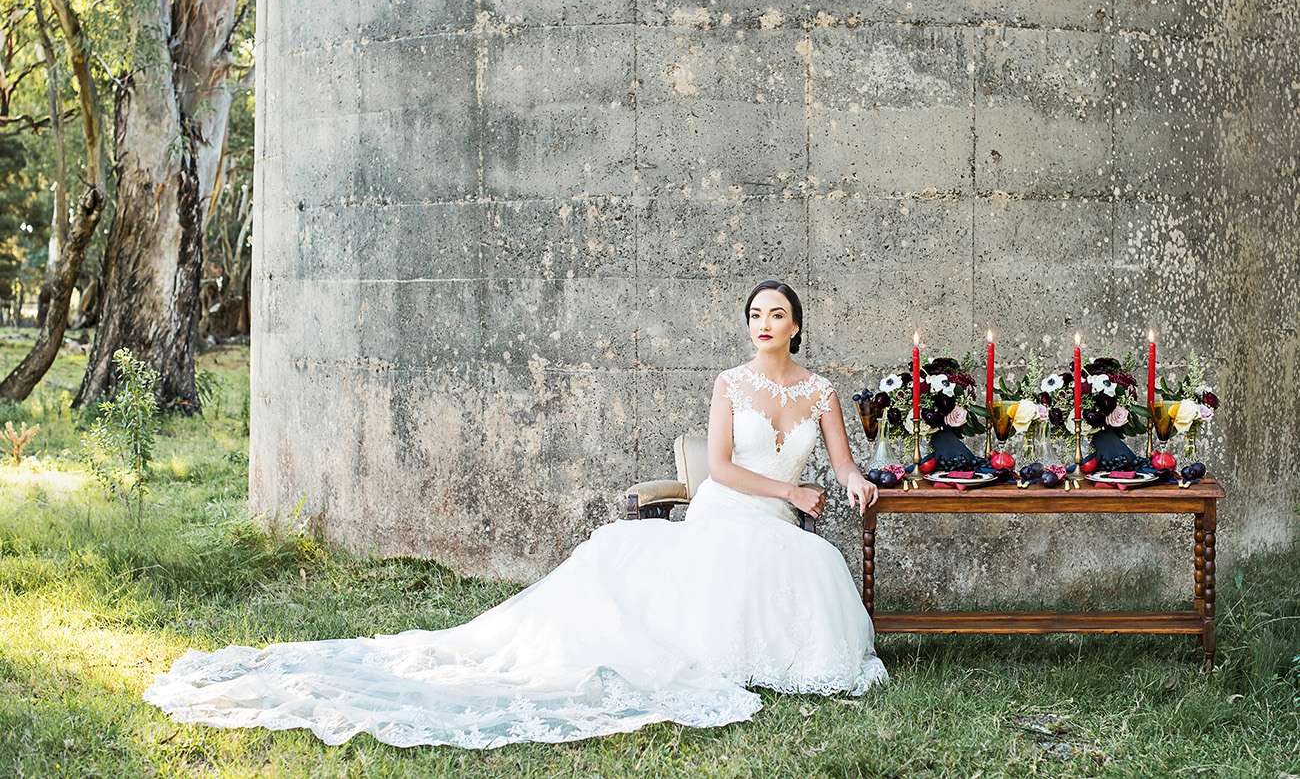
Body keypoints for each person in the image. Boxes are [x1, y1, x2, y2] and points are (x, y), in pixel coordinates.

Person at [144, 280, 887, 748]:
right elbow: (720, 467)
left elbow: (842, 461)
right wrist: (790, 492)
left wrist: (854, 483)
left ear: (796, 326)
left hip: (780, 530)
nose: (763, 323)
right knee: (673, 566)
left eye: (776, 314)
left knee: (807, 568)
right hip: (729, 512)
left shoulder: (821, 391)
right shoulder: (730, 383)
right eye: (755, 314)